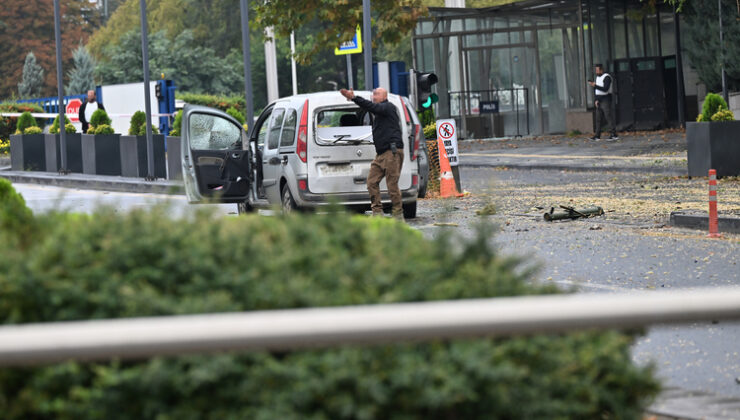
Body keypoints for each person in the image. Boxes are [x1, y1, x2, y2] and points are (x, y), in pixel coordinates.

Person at [339, 87, 404, 220]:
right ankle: (377, 213)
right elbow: (371, 107)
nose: (374, 96)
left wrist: (354, 98)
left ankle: (398, 214)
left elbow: (372, 107)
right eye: (373, 94)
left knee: (392, 185)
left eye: (377, 94)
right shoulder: (379, 111)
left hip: (391, 152)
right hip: (381, 154)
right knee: (371, 182)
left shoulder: (388, 107)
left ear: (384, 96)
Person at [588, 64, 618, 141]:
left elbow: (605, 89)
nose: (596, 72)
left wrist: (595, 85)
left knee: (608, 116)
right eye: (596, 70)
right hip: (599, 99)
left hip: (606, 98)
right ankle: (597, 135)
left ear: (601, 70)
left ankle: (613, 133)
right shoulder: (598, 77)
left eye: (597, 70)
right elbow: (597, 91)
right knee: (598, 118)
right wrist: (596, 99)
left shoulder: (607, 77)